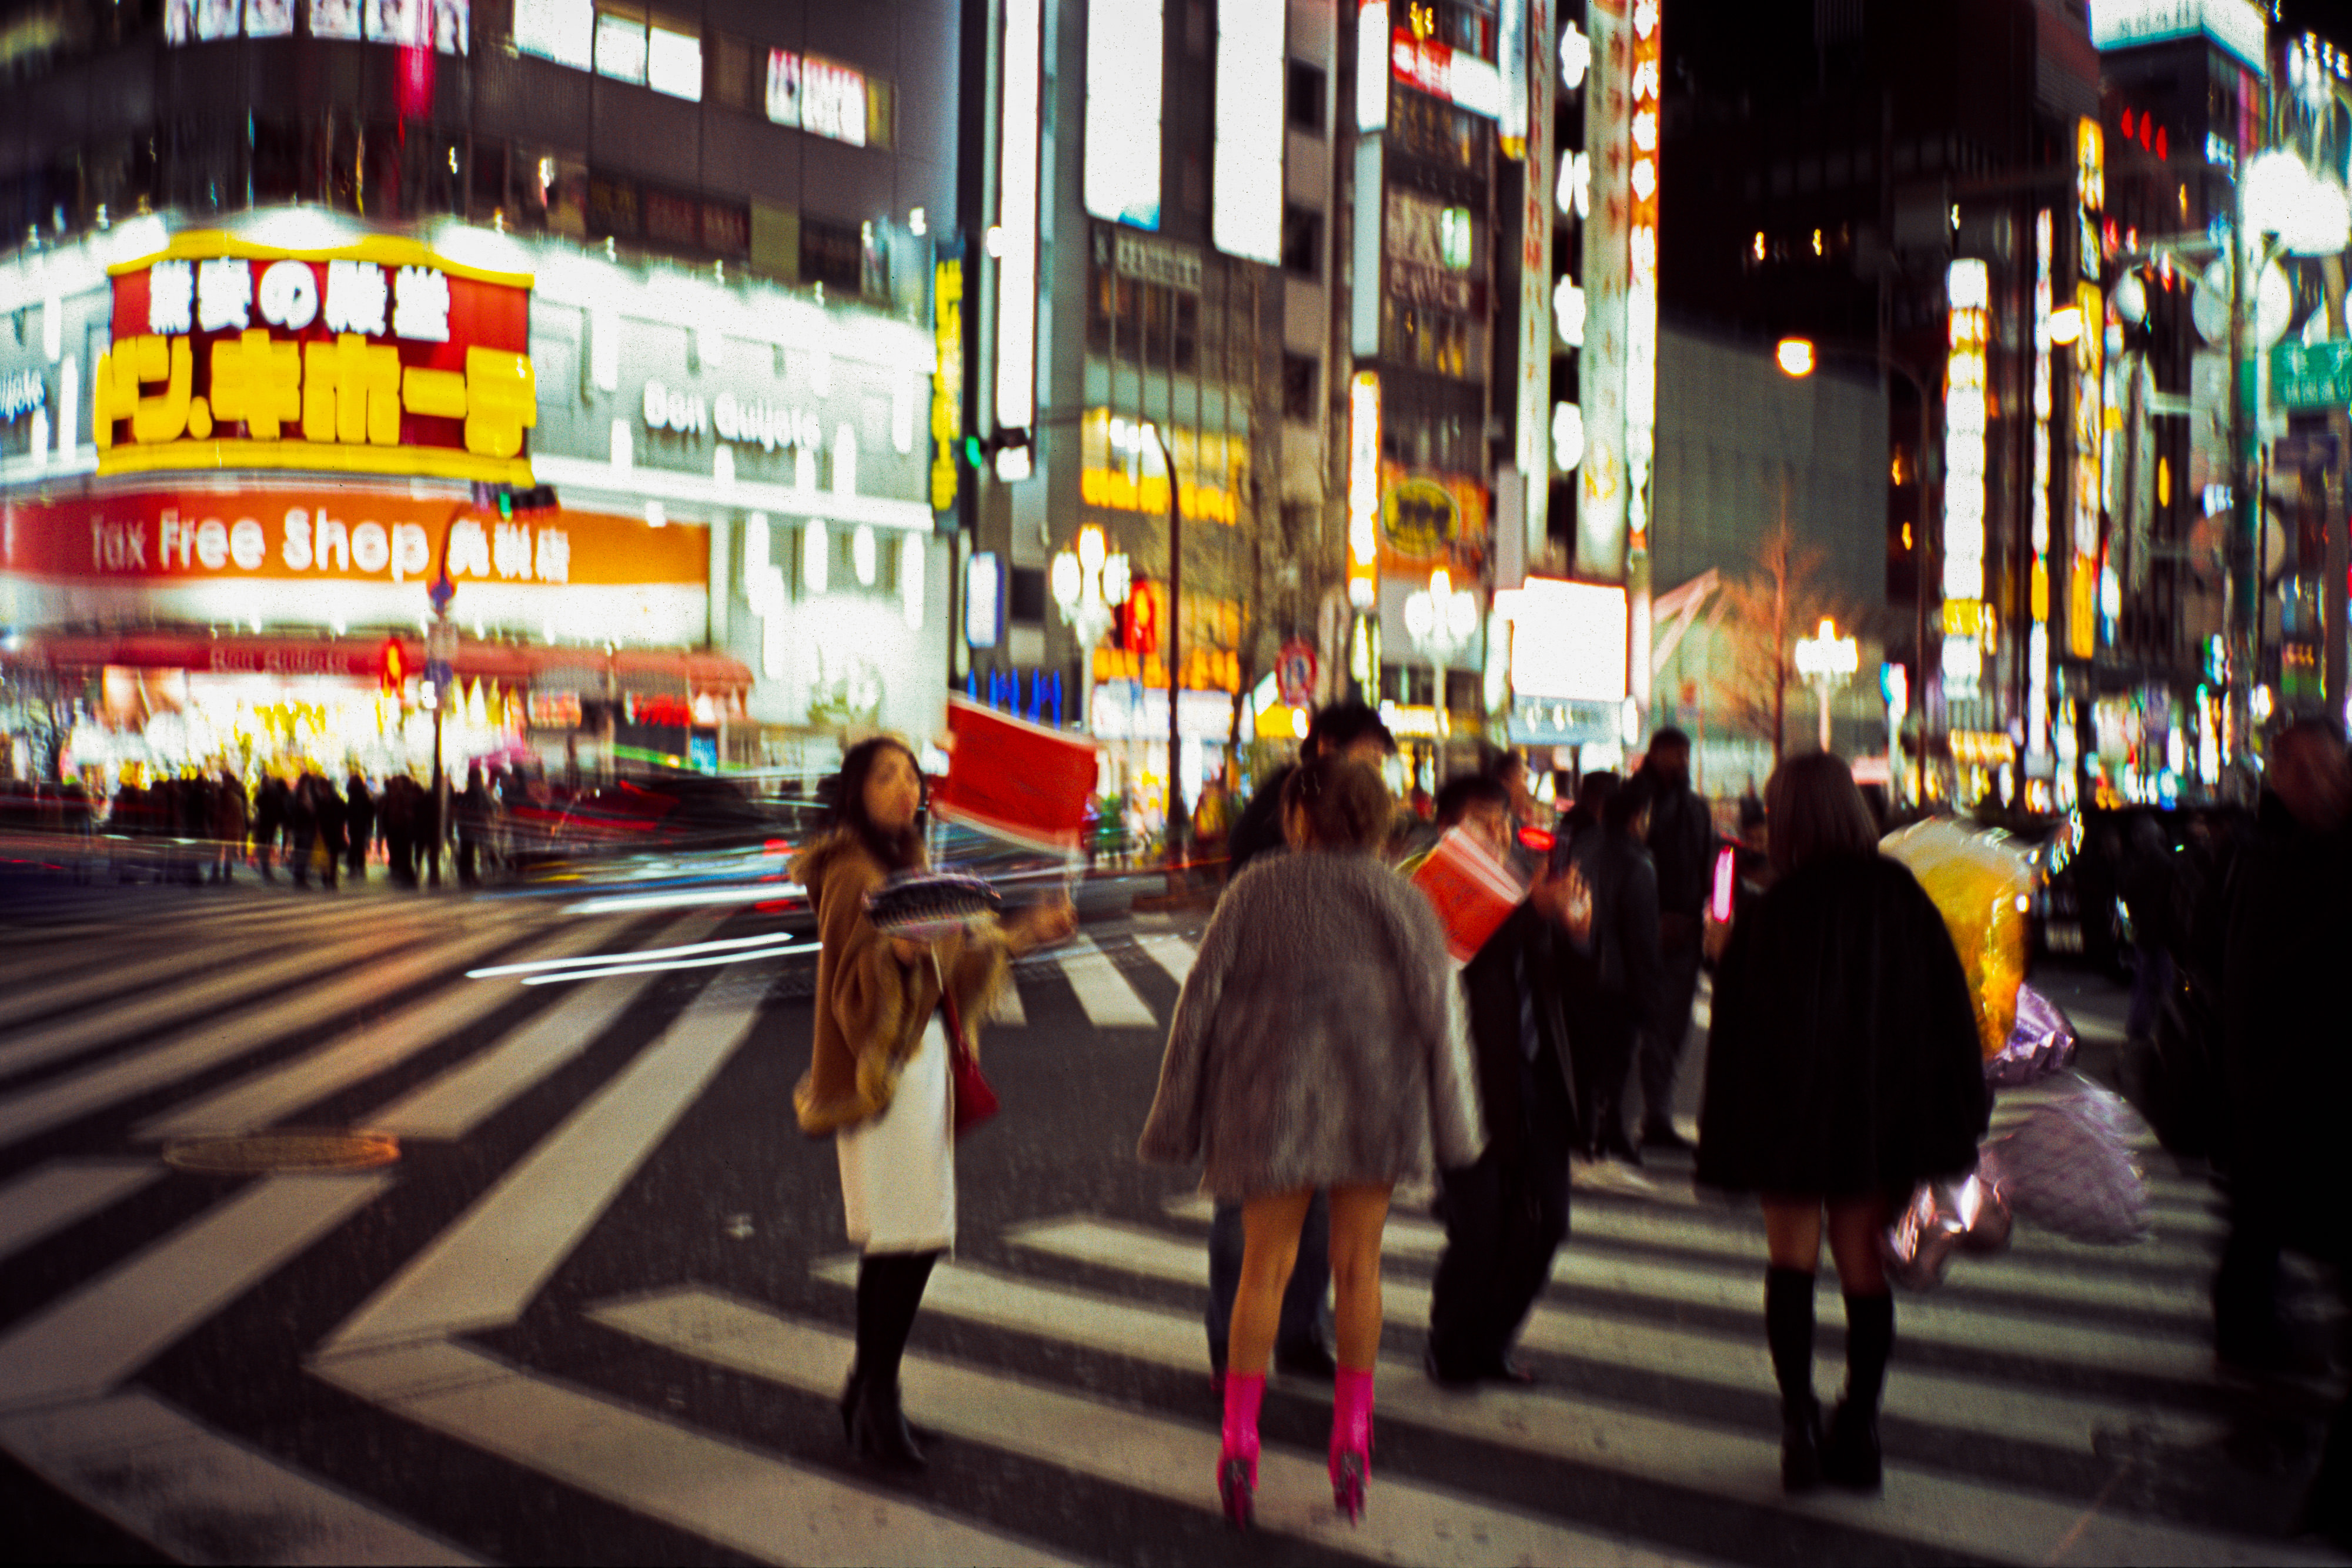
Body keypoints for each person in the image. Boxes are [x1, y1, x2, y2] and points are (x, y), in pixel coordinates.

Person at [1139, 753, 1482, 1527]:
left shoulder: (1257, 890)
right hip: (1376, 1100)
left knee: (1263, 1269)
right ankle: (1353, 1434)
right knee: (1358, 1268)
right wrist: (1455, 1124)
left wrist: (1177, 1115)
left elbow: (1198, 1005)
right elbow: (1442, 1019)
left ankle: (1238, 1437)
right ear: (1377, 819)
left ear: (1300, 816)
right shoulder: (1405, 900)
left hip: (1272, 1100)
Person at [1696, 753, 1986, 1494]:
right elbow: (1946, 1014)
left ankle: (1797, 1425)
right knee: (1863, 1273)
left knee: (1788, 1265)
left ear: (1786, 820)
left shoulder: (1772, 911)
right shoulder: (1898, 898)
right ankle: (1858, 1428)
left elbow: (1738, 1037)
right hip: (1871, 1121)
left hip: (1788, 1123)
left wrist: (1721, 959)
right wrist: (1959, 1114)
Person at [793, 737, 1075, 1470]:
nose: (903, 786)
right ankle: (875, 1401)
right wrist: (895, 954)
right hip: (880, 1073)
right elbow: (850, 990)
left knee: (913, 1238)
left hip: (923, 1069)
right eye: (885, 775)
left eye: (911, 774)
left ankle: (870, 1391)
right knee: (903, 1240)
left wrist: (1025, 935)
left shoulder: (909, 868)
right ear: (855, 791)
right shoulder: (850, 870)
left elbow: (957, 966)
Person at [1199, 700, 1401, 1387]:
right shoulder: (1281, 814)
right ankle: (1237, 1350)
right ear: (1323, 750)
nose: (1373, 774)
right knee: (1252, 1217)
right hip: (1269, 1048)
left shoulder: (1349, 831)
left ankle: (1296, 1331)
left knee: (1320, 1217)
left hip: (1340, 1054)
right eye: (1365, 759)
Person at [1424, 774, 1586, 1388]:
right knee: (1480, 1226)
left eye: (1501, 823)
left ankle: (1490, 1339)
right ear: (1447, 830)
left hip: (1535, 1084)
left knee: (1545, 1222)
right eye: (1480, 823)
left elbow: (1563, 989)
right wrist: (1532, 913)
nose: (1496, 835)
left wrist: (1572, 931)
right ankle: (1452, 1343)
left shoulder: (1522, 890)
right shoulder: (1434, 883)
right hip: (1467, 1089)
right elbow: (1460, 953)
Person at [1561, 774, 1667, 1165]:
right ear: (1636, 818)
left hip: (1578, 968)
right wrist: (1651, 989)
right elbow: (1640, 935)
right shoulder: (1638, 863)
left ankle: (1587, 1131)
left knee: (1586, 1058)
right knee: (1617, 1060)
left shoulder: (1582, 847)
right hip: (1618, 980)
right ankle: (1611, 1132)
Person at [1632, 728, 1710, 1152]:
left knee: (1672, 1026)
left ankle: (1656, 1114)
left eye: (1686, 754)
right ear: (1656, 753)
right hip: (1642, 931)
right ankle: (1628, 1115)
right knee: (1633, 1027)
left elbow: (1704, 865)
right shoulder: (1635, 799)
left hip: (1683, 931)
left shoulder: (1696, 809)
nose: (1682, 762)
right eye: (1675, 754)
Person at [209, 768, 247, 884]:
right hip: (224, 829)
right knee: (220, 852)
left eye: (226, 780)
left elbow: (239, 817)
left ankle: (224, 875)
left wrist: (241, 831)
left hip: (229, 829)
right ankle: (220, 875)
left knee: (226, 852)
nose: (225, 783)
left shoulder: (234, 798)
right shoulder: (222, 796)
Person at [345, 771, 375, 882]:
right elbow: (370, 809)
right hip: (359, 824)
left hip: (356, 823)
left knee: (355, 845)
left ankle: (355, 867)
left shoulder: (355, 795)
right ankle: (359, 867)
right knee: (358, 845)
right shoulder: (362, 794)